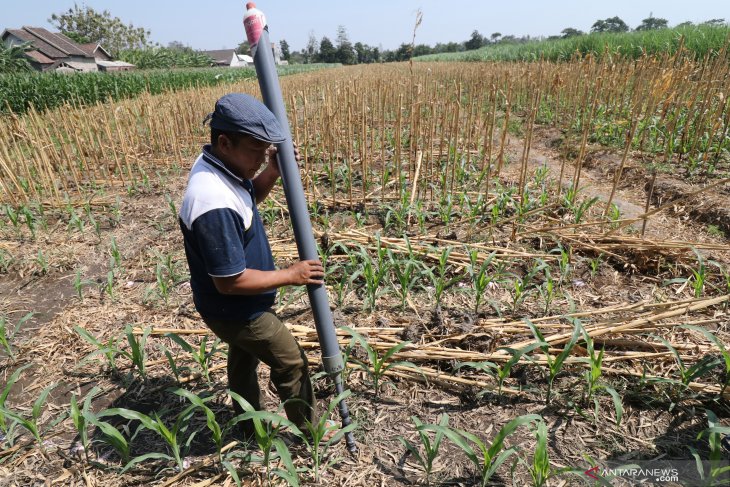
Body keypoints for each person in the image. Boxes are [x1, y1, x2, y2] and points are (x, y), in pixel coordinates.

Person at [179, 93, 324, 437]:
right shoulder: (211, 200)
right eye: (256, 151)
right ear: (225, 142)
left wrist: (272, 171)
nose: (261, 159)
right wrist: (291, 275)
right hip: (236, 309)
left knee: (243, 359)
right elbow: (229, 281)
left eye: (266, 152)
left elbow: (247, 198)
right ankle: (311, 432)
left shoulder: (222, 167)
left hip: (232, 306)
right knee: (289, 361)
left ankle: (248, 425)